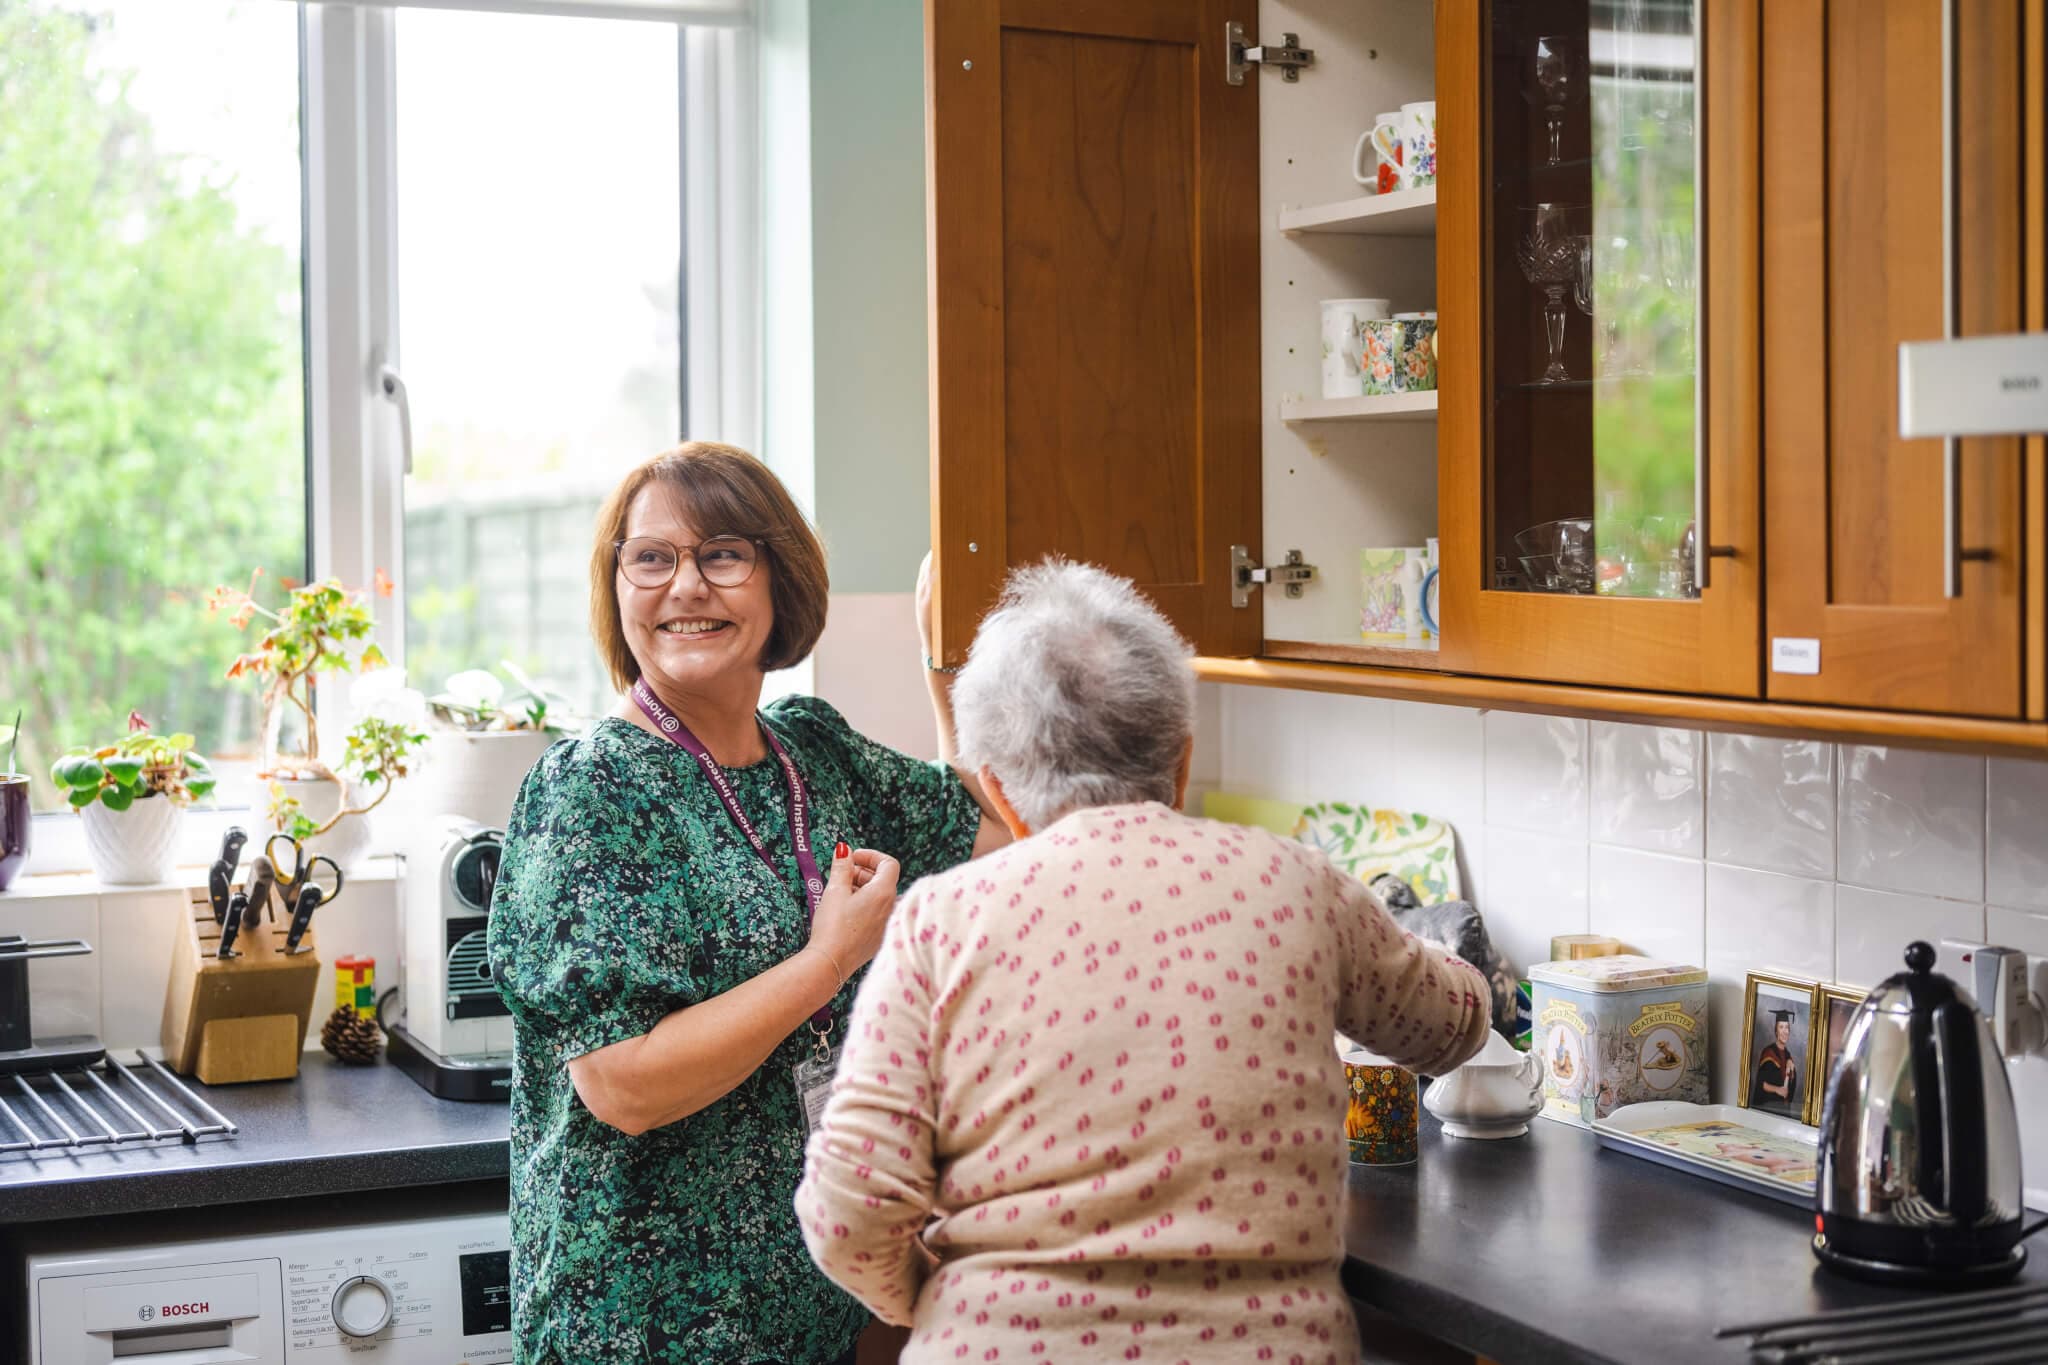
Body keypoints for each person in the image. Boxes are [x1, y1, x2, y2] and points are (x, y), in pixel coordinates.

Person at [795, 559, 1492, 1365]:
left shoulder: (937, 924)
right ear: (1183, 759)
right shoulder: (1296, 883)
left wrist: (941, 1300)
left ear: (998, 792)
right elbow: (1455, 1026)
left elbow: (847, 1212)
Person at [487, 441, 1007, 1364]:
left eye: (722, 554)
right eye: (652, 558)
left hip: (817, 1314)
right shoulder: (591, 792)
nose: (685, 585)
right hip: (643, 1330)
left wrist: (941, 665)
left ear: (781, 581)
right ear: (618, 586)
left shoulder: (815, 753)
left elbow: (997, 832)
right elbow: (623, 1085)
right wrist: (826, 962)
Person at [1751, 1008, 1800, 1115]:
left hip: (1783, 1110)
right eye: (1781, 1027)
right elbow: (1762, 1084)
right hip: (1768, 1110)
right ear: (1776, 1031)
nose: (1785, 1031)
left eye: (1787, 1027)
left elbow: (1790, 1086)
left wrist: (1792, 1071)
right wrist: (1778, 1089)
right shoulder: (1768, 1053)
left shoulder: (1788, 1055)